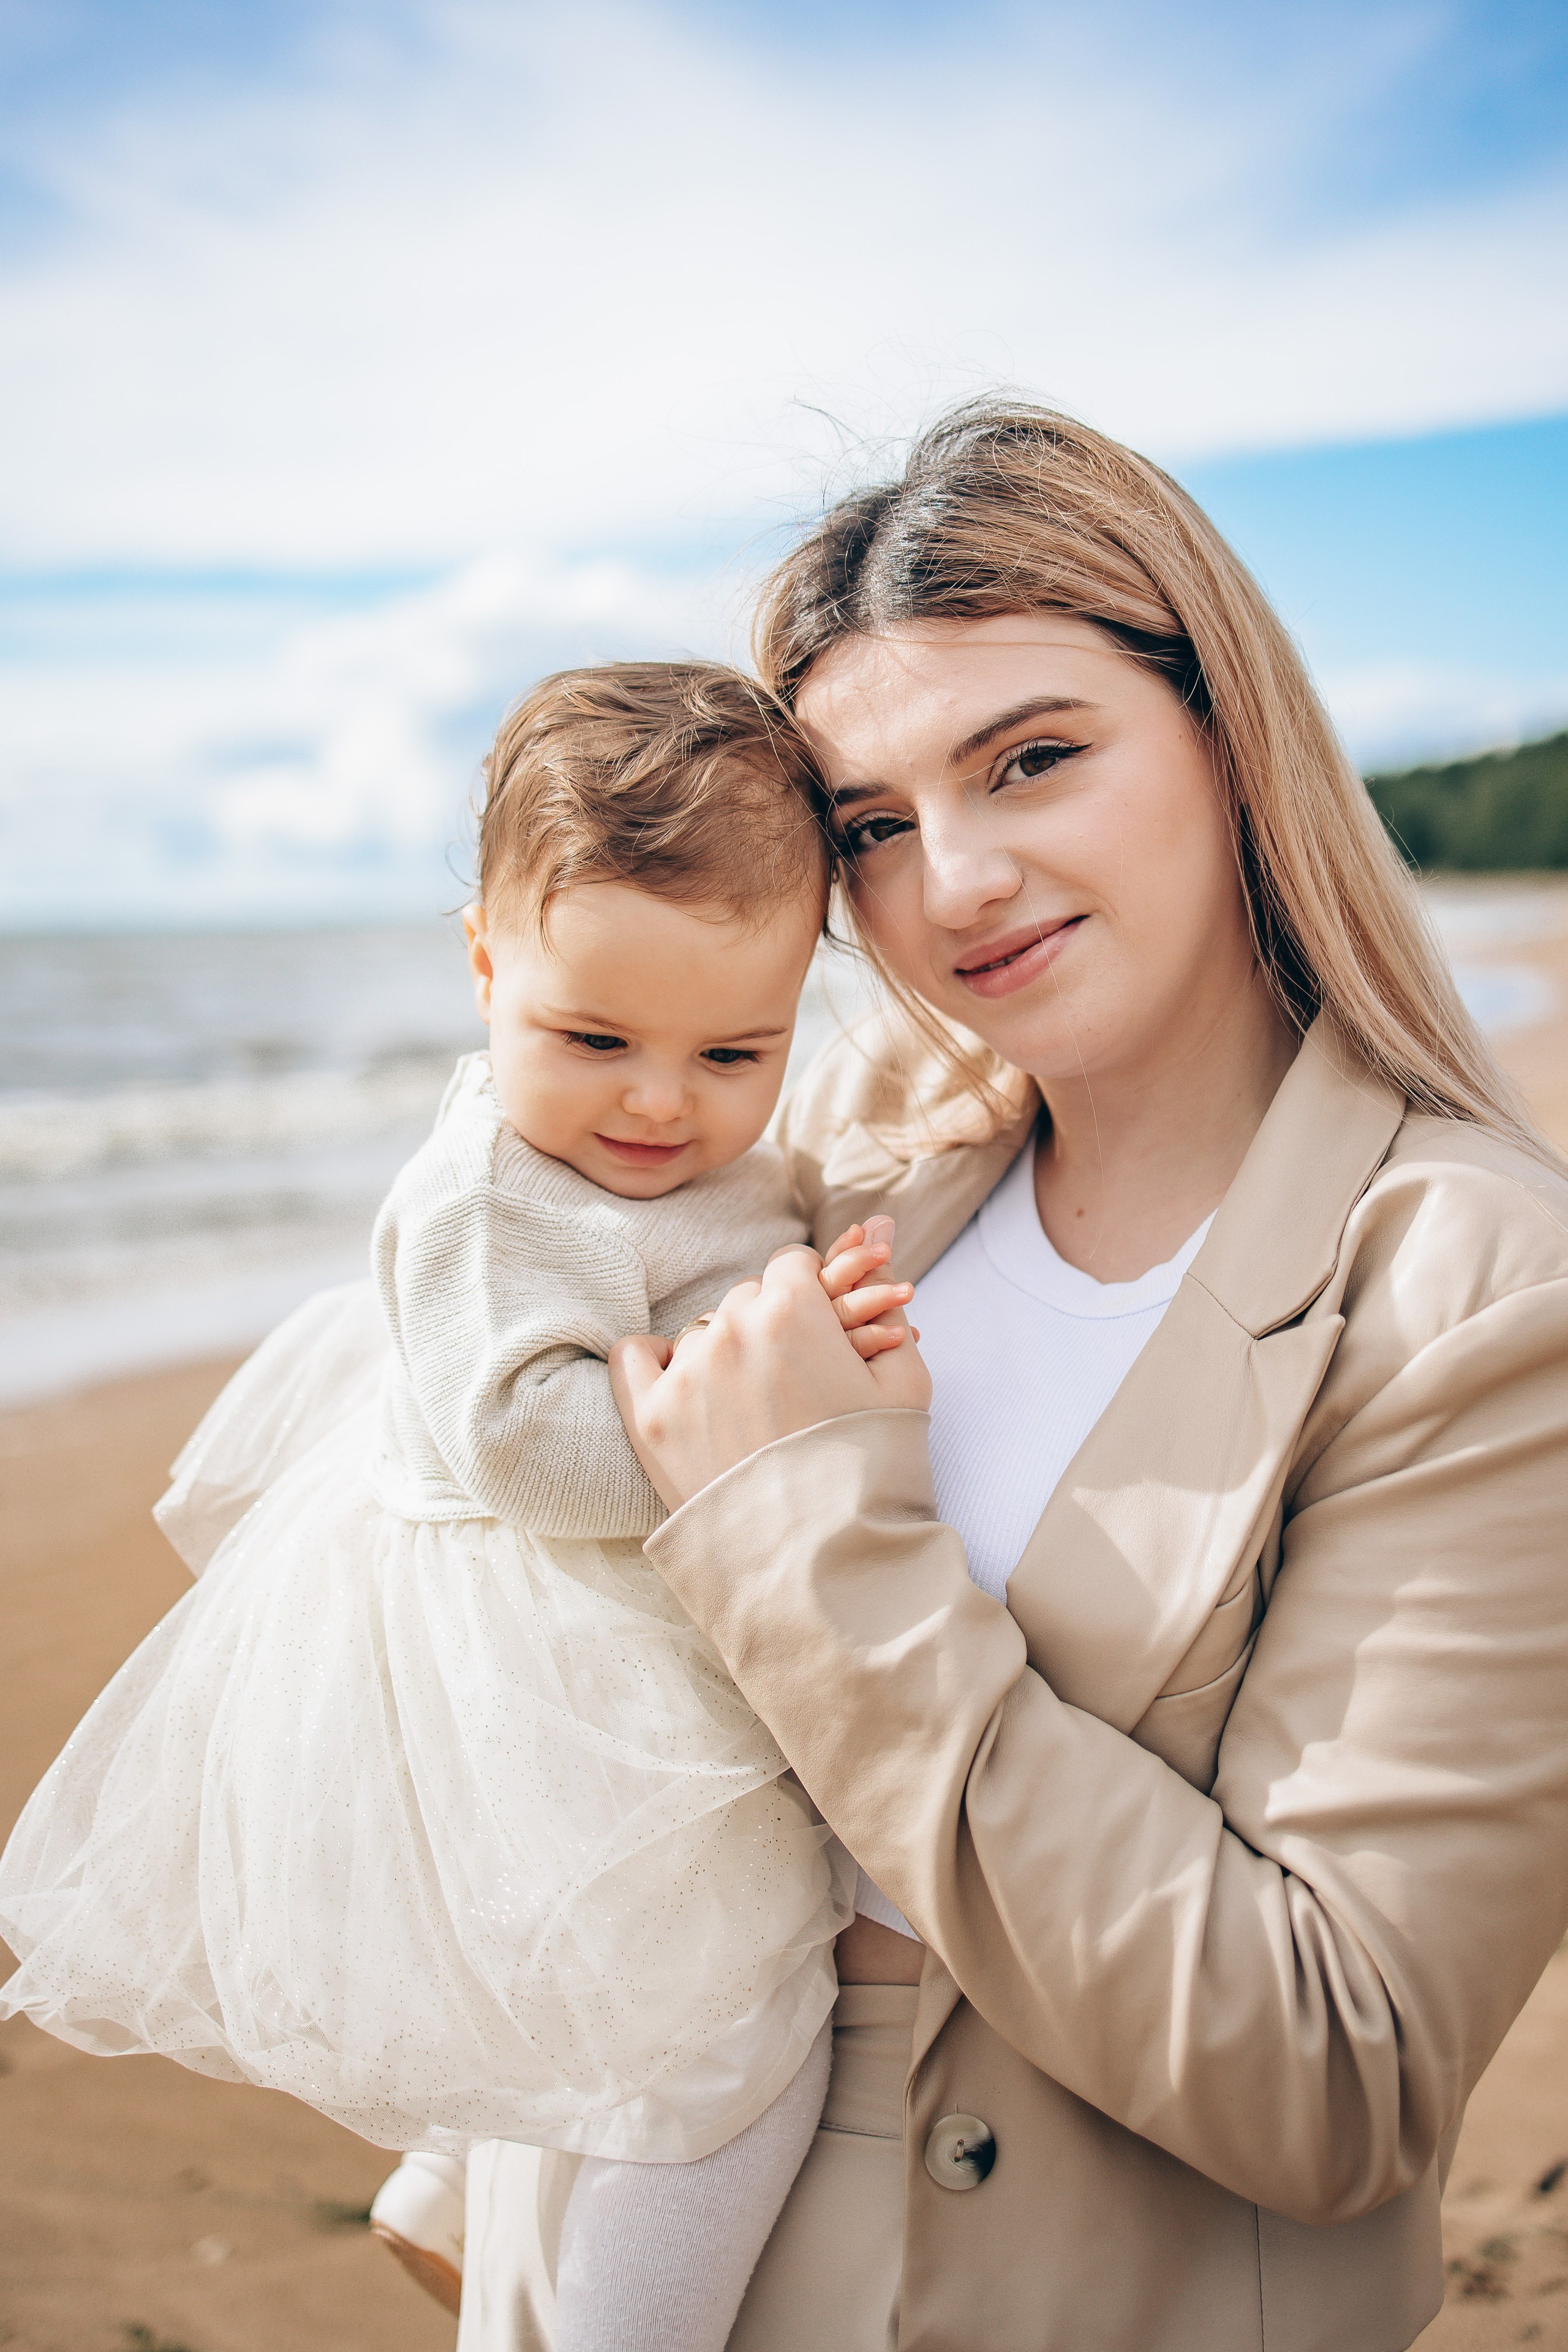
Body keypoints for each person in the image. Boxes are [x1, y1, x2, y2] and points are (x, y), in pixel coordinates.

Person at [602, 405, 1568, 2351]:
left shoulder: (1474, 1288)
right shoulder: (861, 1165)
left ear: (1229, 735)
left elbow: (1342, 2066)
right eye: (871, 829)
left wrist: (810, 1547)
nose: (954, 882)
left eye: (1033, 759)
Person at [0, 662, 921, 2352]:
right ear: (489, 968)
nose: (661, 1103)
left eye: (737, 1050)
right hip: (557, 1676)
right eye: (594, 1041)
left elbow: (749, 1252)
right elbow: (524, 1444)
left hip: (648, 1634)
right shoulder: (486, 1200)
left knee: (594, 1977)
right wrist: (758, 1394)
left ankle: (451, 2180)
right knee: (726, 2044)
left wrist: (808, 1304)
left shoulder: (684, 1138)